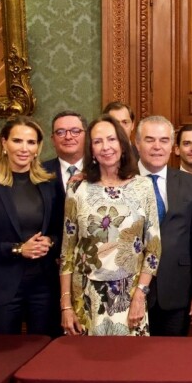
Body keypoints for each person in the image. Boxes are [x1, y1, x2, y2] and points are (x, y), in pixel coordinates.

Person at [60, 116, 161, 336]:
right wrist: (66, 305)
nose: (105, 147)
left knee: (128, 357)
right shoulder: (77, 188)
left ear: (123, 145)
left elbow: (153, 249)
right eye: (98, 141)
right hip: (85, 296)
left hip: (129, 297)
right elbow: (68, 250)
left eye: (111, 139)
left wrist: (140, 295)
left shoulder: (143, 186)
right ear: (91, 149)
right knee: (86, 357)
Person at [0, 117, 62, 336]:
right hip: (2, 286)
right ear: (4, 143)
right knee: (5, 351)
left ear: (38, 148)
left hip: (43, 286)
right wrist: (19, 249)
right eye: (17, 141)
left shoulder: (49, 184)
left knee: (43, 348)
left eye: (31, 142)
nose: (24, 148)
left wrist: (50, 241)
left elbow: (61, 233)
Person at [135, 116, 192, 336]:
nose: (157, 146)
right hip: (129, 290)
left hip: (177, 291)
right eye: (150, 140)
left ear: (172, 146)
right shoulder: (122, 181)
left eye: (164, 140)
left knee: (171, 355)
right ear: (137, 144)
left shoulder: (190, 183)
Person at [42, 111, 87, 202]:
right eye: (60, 132)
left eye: (75, 131)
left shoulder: (100, 170)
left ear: (87, 136)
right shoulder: (40, 172)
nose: (68, 137)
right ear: (53, 140)